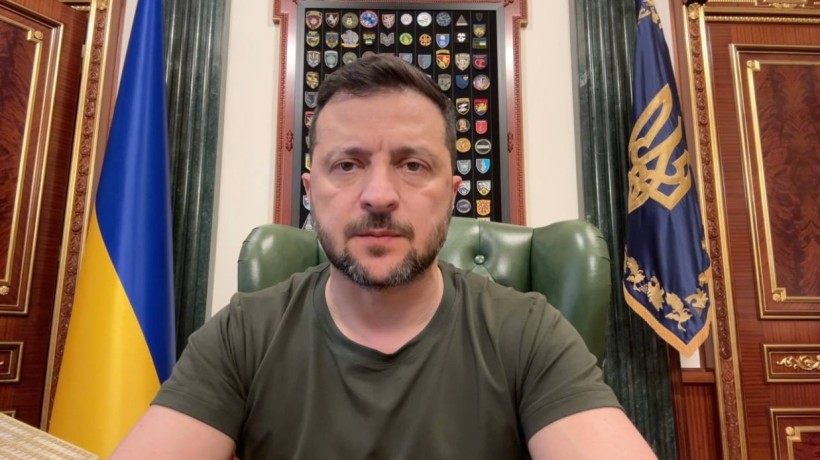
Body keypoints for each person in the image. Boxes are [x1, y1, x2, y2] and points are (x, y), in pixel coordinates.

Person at [112, 55, 656, 459]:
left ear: (451, 193)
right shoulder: (241, 334)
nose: (378, 195)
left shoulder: (530, 334)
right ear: (311, 193)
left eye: (413, 165)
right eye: (347, 165)